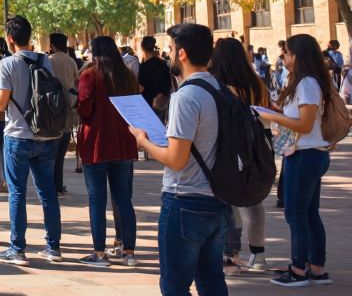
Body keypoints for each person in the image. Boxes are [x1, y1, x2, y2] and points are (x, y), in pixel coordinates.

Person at [129, 23, 229, 296]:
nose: (168, 55)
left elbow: (175, 159)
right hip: (218, 197)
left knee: (174, 285)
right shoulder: (221, 90)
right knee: (212, 281)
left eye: (171, 49)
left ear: (182, 53)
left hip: (185, 198)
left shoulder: (187, 96)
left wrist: (144, 141)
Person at [254, 33, 334, 287]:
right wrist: (275, 111)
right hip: (305, 153)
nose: (284, 58)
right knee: (308, 213)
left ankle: (298, 269)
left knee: (296, 214)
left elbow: (306, 123)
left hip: (305, 155)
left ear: (298, 55)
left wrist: (273, 117)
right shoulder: (302, 82)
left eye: (287, 53)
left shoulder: (307, 83)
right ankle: (316, 267)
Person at [0, 15, 63, 265]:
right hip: (46, 133)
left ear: (9, 39)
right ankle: (53, 246)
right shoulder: (45, 61)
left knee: (17, 192)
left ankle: (17, 248)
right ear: (29, 36)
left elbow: (1, 103)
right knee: (47, 191)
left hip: (18, 135)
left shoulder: (7, 64)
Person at [75, 35, 139, 268]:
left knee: (97, 199)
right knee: (123, 199)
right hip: (123, 143)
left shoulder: (89, 76)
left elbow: (84, 108)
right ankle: (129, 250)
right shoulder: (128, 76)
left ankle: (99, 253)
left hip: (97, 144)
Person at [208, 37, 271, 273]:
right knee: (254, 202)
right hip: (257, 148)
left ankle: (230, 252)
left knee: (229, 202)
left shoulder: (221, 87)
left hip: (231, 148)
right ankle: (258, 254)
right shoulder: (256, 84)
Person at [47, 34, 79, 195]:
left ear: (52, 45)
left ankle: (51, 185)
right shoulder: (71, 61)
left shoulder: (49, 60)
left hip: (53, 108)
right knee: (60, 153)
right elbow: (76, 81)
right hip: (69, 108)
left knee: (51, 153)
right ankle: (58, 184)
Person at [138, 35, 173, 121]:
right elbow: (168, 83)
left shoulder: (143, 67)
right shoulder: (163, 64)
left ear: (142, 47)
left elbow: (141, 87)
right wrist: (160, 95)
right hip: (161, 103)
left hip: (147, 103)